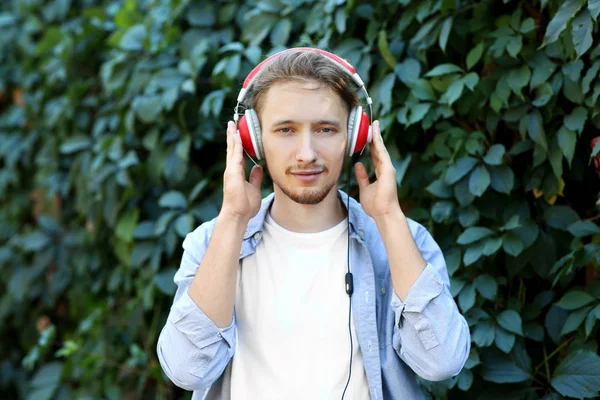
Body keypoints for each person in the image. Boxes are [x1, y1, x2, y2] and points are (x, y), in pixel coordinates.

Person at [156, 48, 471, 400]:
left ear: (354, 136)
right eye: (285, 129)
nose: (306, 153)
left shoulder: (401, 239)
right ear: (253, 140)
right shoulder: (211, 243)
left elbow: (442, 363)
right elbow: (187, 370)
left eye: (325, 128)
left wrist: (389, 217)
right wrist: (232, 219)